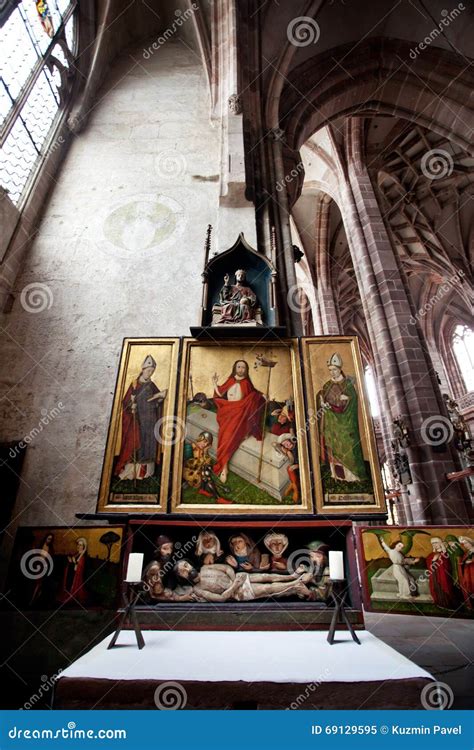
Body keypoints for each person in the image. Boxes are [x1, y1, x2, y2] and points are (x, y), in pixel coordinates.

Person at [114, 354, 167, 481]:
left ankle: (147, 473)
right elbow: (126, 402)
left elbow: (158, 402)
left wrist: (159, 399)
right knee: (137, 443)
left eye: (152, 371)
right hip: (138, 421)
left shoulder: (152, 385)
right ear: (143, 369)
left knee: (149, 444)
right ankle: (133, 473)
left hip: (151, 420)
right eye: (148, 370)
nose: (150, 373)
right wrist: (131, 405)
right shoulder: (134, 385)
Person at [212, 360, 266, 483]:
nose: (241, 369)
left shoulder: (247, 383)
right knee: (224, 437)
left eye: (243, 367)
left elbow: (254, 394)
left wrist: (262, 395)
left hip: (240, 411)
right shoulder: (230, 380)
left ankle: (224, 467)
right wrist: (214, 383)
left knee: (229, 437)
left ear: (246, 369)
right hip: (228, 411)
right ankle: (224, 466)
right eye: (239, 367)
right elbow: (220, 393)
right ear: (235, 368)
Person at [317, 353, 368, 482]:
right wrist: (322, 403)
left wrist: (348, 399)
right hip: (331, 422)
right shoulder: (327, 385)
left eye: (334, 369)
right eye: (330, 370)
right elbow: (322, 399)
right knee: (333, 448)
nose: (332, 372)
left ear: (340, 369)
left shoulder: (348, 384)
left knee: (349, 446)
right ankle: (337, 476)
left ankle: (352, 477)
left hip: (346, 423)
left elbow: (353, 399)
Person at [174, 560, 312, 603]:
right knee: (267, 589)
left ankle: (292, 576)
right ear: (182, 577)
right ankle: (296, 584)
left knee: (266, 576)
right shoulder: (198, 589)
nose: (187, 569)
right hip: (237, 593)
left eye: (186, 565)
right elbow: (221, 598)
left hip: (239, 578)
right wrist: (235, 586)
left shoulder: (205, 567)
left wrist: (235, 579)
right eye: (183, 570)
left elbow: (226, 568)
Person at [425, 537, 458, 609]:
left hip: (443, 575)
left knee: (445, 588)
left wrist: (441, 557)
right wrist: (433, 559)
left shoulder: (446, 552)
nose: (434, 544)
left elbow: (448, 564)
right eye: (433, 543)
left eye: (436, 542)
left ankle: (448, 605)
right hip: (434, 575)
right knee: (437, 588)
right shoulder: (431, 554)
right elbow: (428, 561)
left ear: (441, 543)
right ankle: (439, 603)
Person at [57, 537, 88, 605]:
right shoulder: (77, 553)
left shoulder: (82, 556)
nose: (78, 546)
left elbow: (77, 568)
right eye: (78, 544)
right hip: (71, 573)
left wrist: (73, 562)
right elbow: (73, 563)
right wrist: (70, 560)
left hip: (75, 576)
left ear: (83, 547)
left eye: (80, 545)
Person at [273, 432, 300, 502]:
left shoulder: (298, 447)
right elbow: (274, 445)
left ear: (290, 440)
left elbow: (307, 458)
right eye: (284, 445)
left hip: (302, 468)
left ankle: (295, 489)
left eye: (286, 442)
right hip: (295, 469)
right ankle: (294, 485)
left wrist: (298, 465)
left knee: (290, 469)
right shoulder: (289, 450)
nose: (286, 445)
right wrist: (287, 451)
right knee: (289, 469)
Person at [458, 536, 474, 610]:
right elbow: (463, 561)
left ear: (470, 542)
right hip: (467, 573)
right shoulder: (467, 553)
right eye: (464, 544)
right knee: (468, 587)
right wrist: (462, 563)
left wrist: (472, 561)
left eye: (466, 543)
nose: (465, 545)